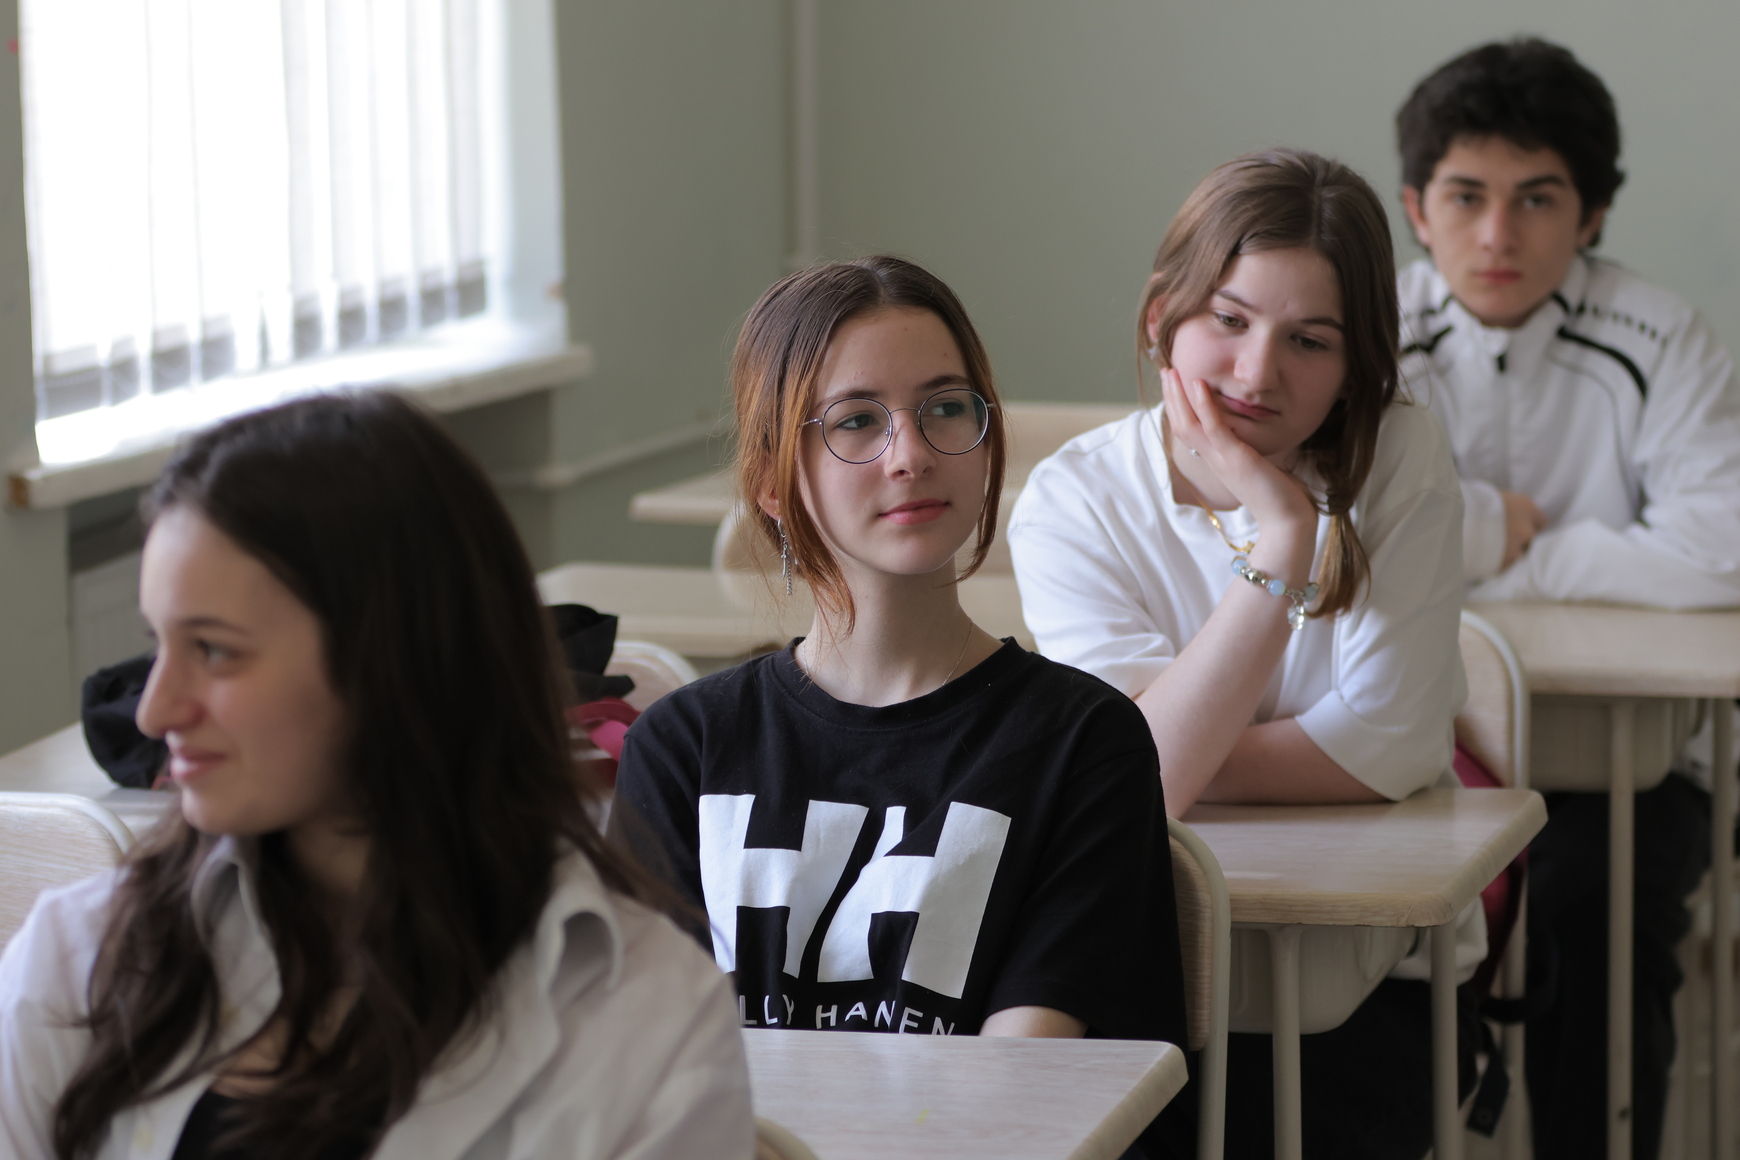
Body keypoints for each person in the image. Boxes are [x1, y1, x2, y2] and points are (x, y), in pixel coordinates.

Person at [0, 393, 753, 1160]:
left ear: (394, 661)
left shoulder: (650, 1028)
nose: (153, 710)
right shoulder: (74, 965)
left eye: (215, 650)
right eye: (158, 645)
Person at [611, 256, 1187, 1086]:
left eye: (945, 408)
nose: (910, 454)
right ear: (772, 480)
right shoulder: (683, 747)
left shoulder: (1084, 742)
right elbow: (656, 1072)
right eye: (856, 421)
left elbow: (1020, 1084)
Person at [1007, 148, 1477, 1159]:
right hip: (1146, 964)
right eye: (1229, 320)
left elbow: (1390, 747)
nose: (1259, 372)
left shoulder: (1399, 458)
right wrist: (1281, 542)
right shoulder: (1074, 498)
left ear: (1356, 366)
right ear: (1159, 319)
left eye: (1309, 340)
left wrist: (1282, 532)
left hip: (1364, 969)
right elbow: (1145, 775)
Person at [1395, 38, 1740, 1160]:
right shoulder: (1362, 334)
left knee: (1594, 909)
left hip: (1633, 762)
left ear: (1591, 215)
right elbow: (1320, 536)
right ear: (1416, 208)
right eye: (1467, 196)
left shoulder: (1659, 334)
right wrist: (1485, 522)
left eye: (1537, 199)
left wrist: (1521, 556)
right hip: (1408, 745)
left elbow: (1725, 552)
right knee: (1367, 931)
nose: (1498, 235)